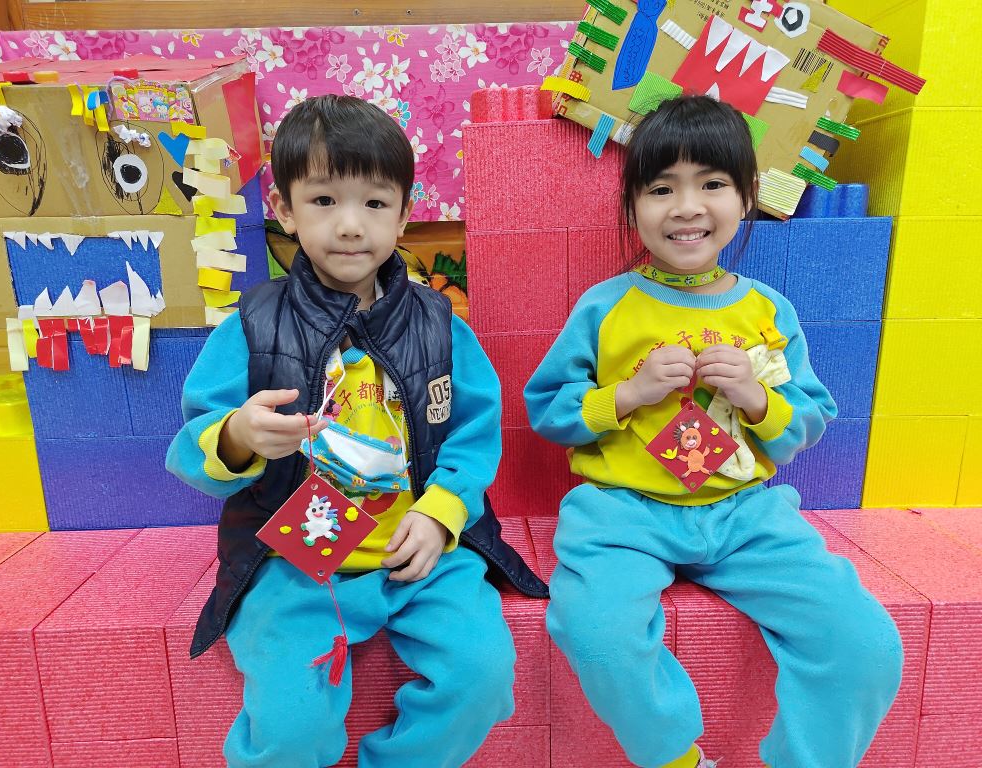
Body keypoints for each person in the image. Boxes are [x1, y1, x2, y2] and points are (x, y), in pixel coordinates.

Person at [523, 95, 903, 768]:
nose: (686, 207)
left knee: (864, 642)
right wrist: (628, 395)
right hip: (621, 513)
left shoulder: (767, 310)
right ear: (632, 205)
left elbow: (811, 418)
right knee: (594, 629)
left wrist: (757, 399)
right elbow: (548, 409)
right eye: (661, 188)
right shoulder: (606, 307)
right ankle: (675, 758)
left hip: (745, 514)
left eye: (712, 184)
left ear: (748, 195)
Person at [167, 94, 539, 768]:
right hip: (294, 567)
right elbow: (192, 445)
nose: (349, 225)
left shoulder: (441, 326)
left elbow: (475, 434)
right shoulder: (252, 326)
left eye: (374, 202)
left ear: (404, 211)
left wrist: (441, 514)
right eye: (323, 200)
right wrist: (238, 435)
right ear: (283, 209)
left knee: (483, 678)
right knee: (291, 723)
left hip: (421, 559)